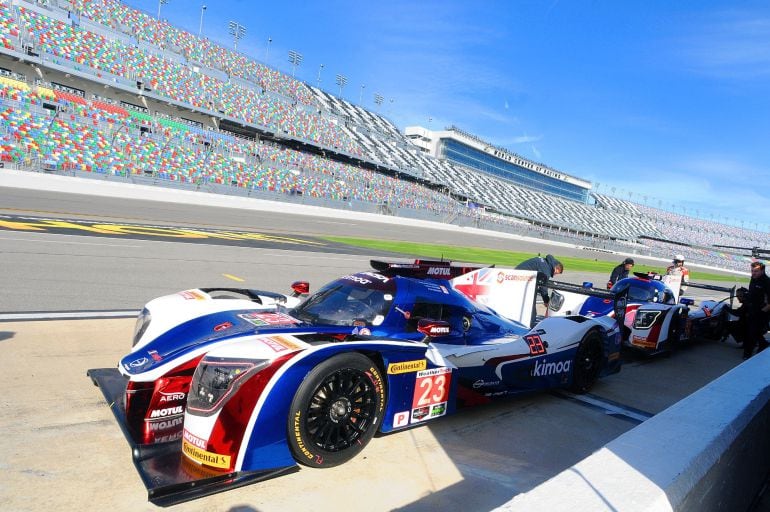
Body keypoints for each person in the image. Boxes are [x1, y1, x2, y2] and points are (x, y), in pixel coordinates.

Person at [744, 261, 770, 360]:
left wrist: (762, 312)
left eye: (756, 271)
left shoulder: (767, 282)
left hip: (761, 312)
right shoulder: (753, 279)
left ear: (762, 271)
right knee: (751, 331)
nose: (753, 273)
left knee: (753, 332)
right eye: (752, 271)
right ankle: (763, 344)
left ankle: (747, 353)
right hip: (751, 309)